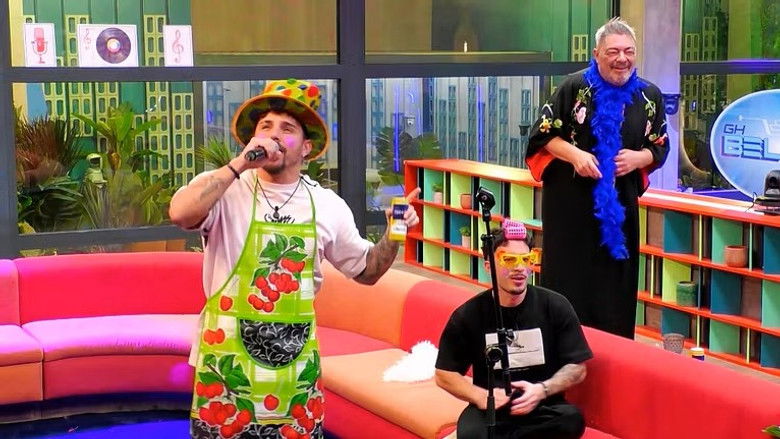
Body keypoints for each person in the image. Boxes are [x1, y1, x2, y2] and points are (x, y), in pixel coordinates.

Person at [169, 78, 420, 439]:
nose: (273, 134)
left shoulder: (327, 205)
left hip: (295, 372)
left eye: (286, 129)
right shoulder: (225, 187)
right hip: (226, 367)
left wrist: (396, 229)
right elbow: (180, 213)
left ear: (306, 148)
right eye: (265, 126)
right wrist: (240, 163)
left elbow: (367, 272)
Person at [525, 17, 669, 339]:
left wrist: (639, 158)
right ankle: (563, 351)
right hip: (571, 210)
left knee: (615, 290)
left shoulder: (649, 96)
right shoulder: (573, 88)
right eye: (613, 51)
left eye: (628, 51)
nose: (622, 59)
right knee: (568, 286)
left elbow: (660, 145)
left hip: (620, 212)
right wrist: (575, 155)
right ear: (596, 54)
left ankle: (615, 356)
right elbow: (540, 137)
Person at [435, 219, 592, 439]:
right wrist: (481, 396)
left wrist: (542, 390)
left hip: (542, 407)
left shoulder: (555, 306)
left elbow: (578, 368)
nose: (519, 268)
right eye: (509, 260)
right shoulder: (469, 315)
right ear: (488, 265)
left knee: (572, 419)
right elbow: (444, 374)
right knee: (471, 434)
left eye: (526, 260)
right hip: (492, 408)